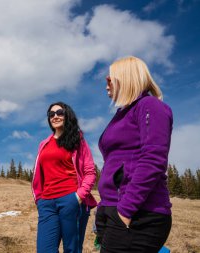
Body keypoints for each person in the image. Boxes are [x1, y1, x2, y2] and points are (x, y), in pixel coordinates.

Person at [95, 56, 173, 253]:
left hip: (139, 212)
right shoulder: (122, 114)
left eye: (110, 78)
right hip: (113, 208)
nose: (106, 84)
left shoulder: (150, 106)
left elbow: (153, 159)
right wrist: (104, 206)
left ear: (126, 77)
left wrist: (125, 211)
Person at [32, 102, 97, 253]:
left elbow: (89, 171)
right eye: (51, 114)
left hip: (71, 200)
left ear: (67, 114)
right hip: (46, 204)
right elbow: (38, 174)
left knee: (72, 249)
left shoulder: (77, 139)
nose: (55, 116)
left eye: (59, 112)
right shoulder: (44, 144)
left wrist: (79, 196)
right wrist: (39, 199)